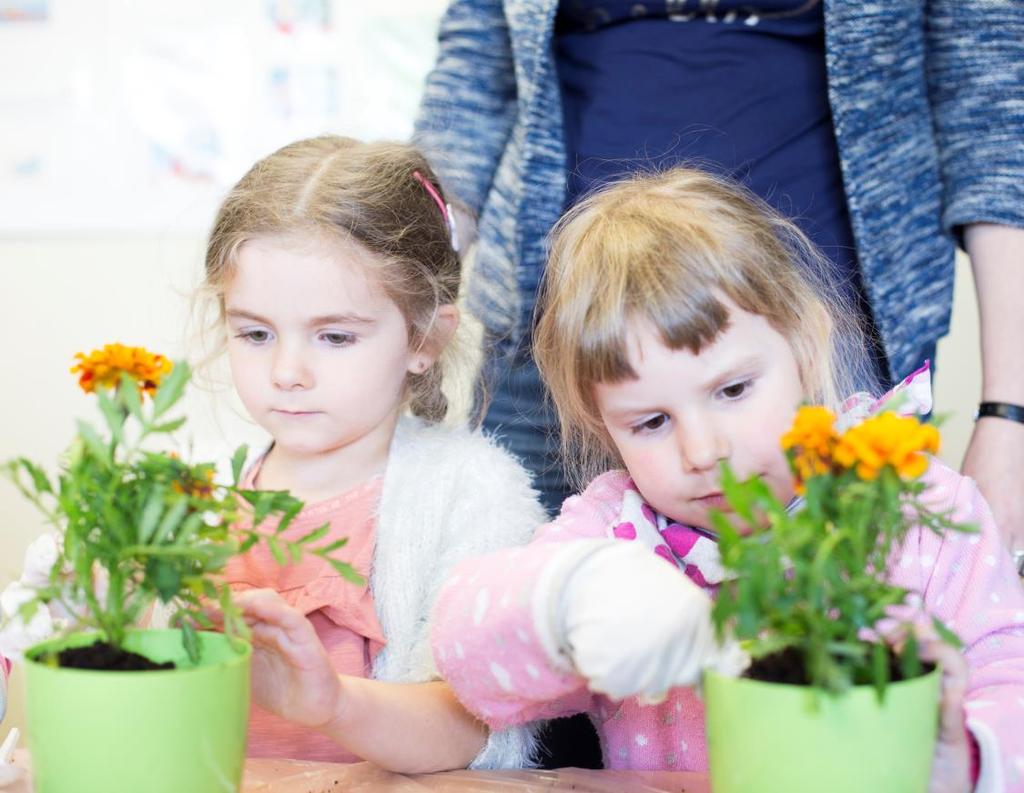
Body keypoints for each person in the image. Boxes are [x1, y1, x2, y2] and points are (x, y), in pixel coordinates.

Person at [429, 169, 1024, 790]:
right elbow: (466, 657)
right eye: (652, 421)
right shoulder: (617, 533)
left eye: (733, 389)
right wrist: (568, 596)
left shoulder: (913, 503)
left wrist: (961, 758)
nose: (704, 449)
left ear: (805, 342)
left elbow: (1011, 672)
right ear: (603, 426)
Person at [413, 0, 1024, 560]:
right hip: (560, 329)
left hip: (829, 335)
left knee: (849, 632)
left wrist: (1010, 413)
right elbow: (475, 76)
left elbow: (994, 112)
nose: (704, 453)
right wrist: (408, 276)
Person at [198, 135, 547, 772]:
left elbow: (476, 730)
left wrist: (335, 704)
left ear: (425, 337)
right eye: (255, 333)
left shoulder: (473, 494)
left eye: (334, 336)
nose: (287, 372)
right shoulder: (190, 488)